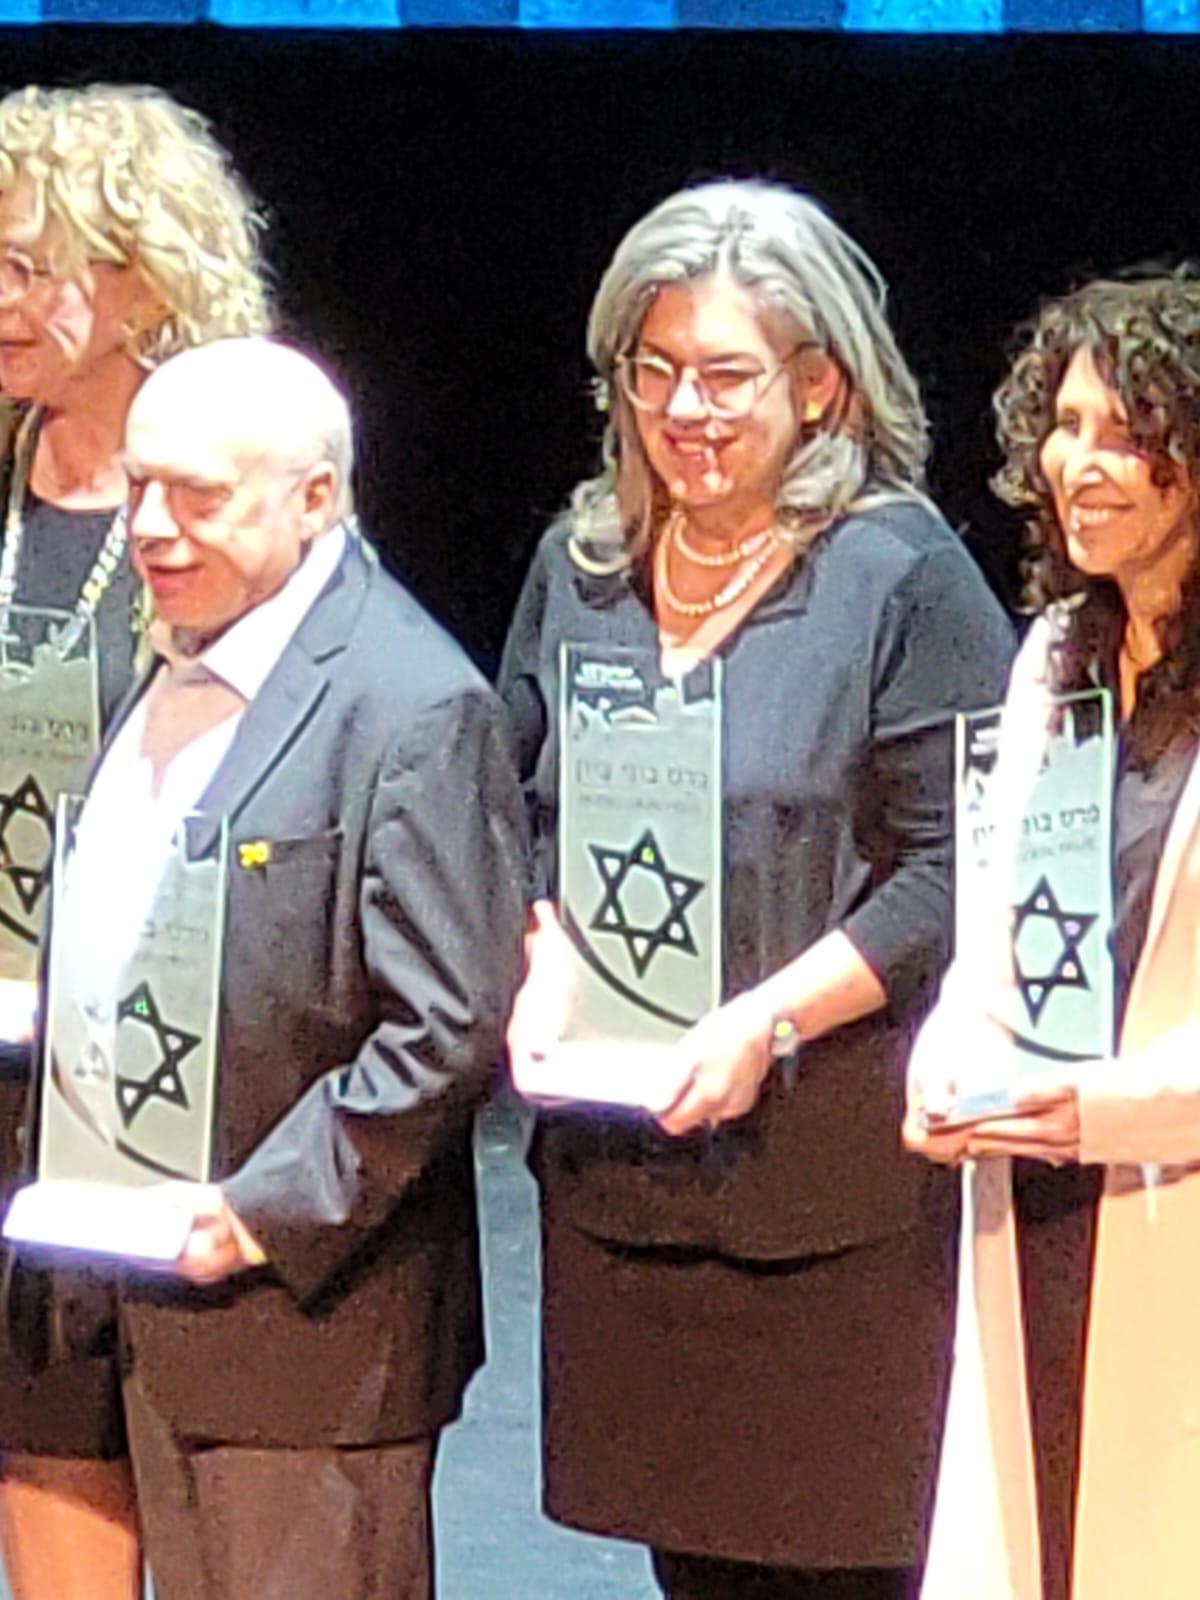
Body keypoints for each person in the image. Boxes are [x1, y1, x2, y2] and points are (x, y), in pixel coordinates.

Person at [500, 179, 1013, 1600]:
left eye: (726, 375)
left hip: (831, 1203)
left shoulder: (900, 577)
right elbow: (516, 805)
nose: (685, 409)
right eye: (652, 368)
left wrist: (766, 1019)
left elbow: (957, 869)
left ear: (820, 383)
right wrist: (541, 956)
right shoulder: (581, 568)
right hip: (627, 1179)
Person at [16, 335, 526, 1600]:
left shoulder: (411, 705)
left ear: (316, 497)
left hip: (308, 1334)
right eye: (141, 486)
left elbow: (447, 1026)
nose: (152, 526)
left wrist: (258, 1212)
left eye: (198, 495)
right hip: (154, 1298)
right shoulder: (188, 654)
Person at [0, 83, 268, 1600]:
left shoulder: (232, 509)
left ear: (146, 286)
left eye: (29, 267)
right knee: (38, 1452)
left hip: (162, 1068)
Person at [906, 274, 1200, 1600]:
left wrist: (1103, 1109)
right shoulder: (1056, 661)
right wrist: (949, 1048)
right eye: (1066, 426)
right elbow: (1001, 918)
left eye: (1127, 434)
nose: (1082, 462)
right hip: (1041, 1195)